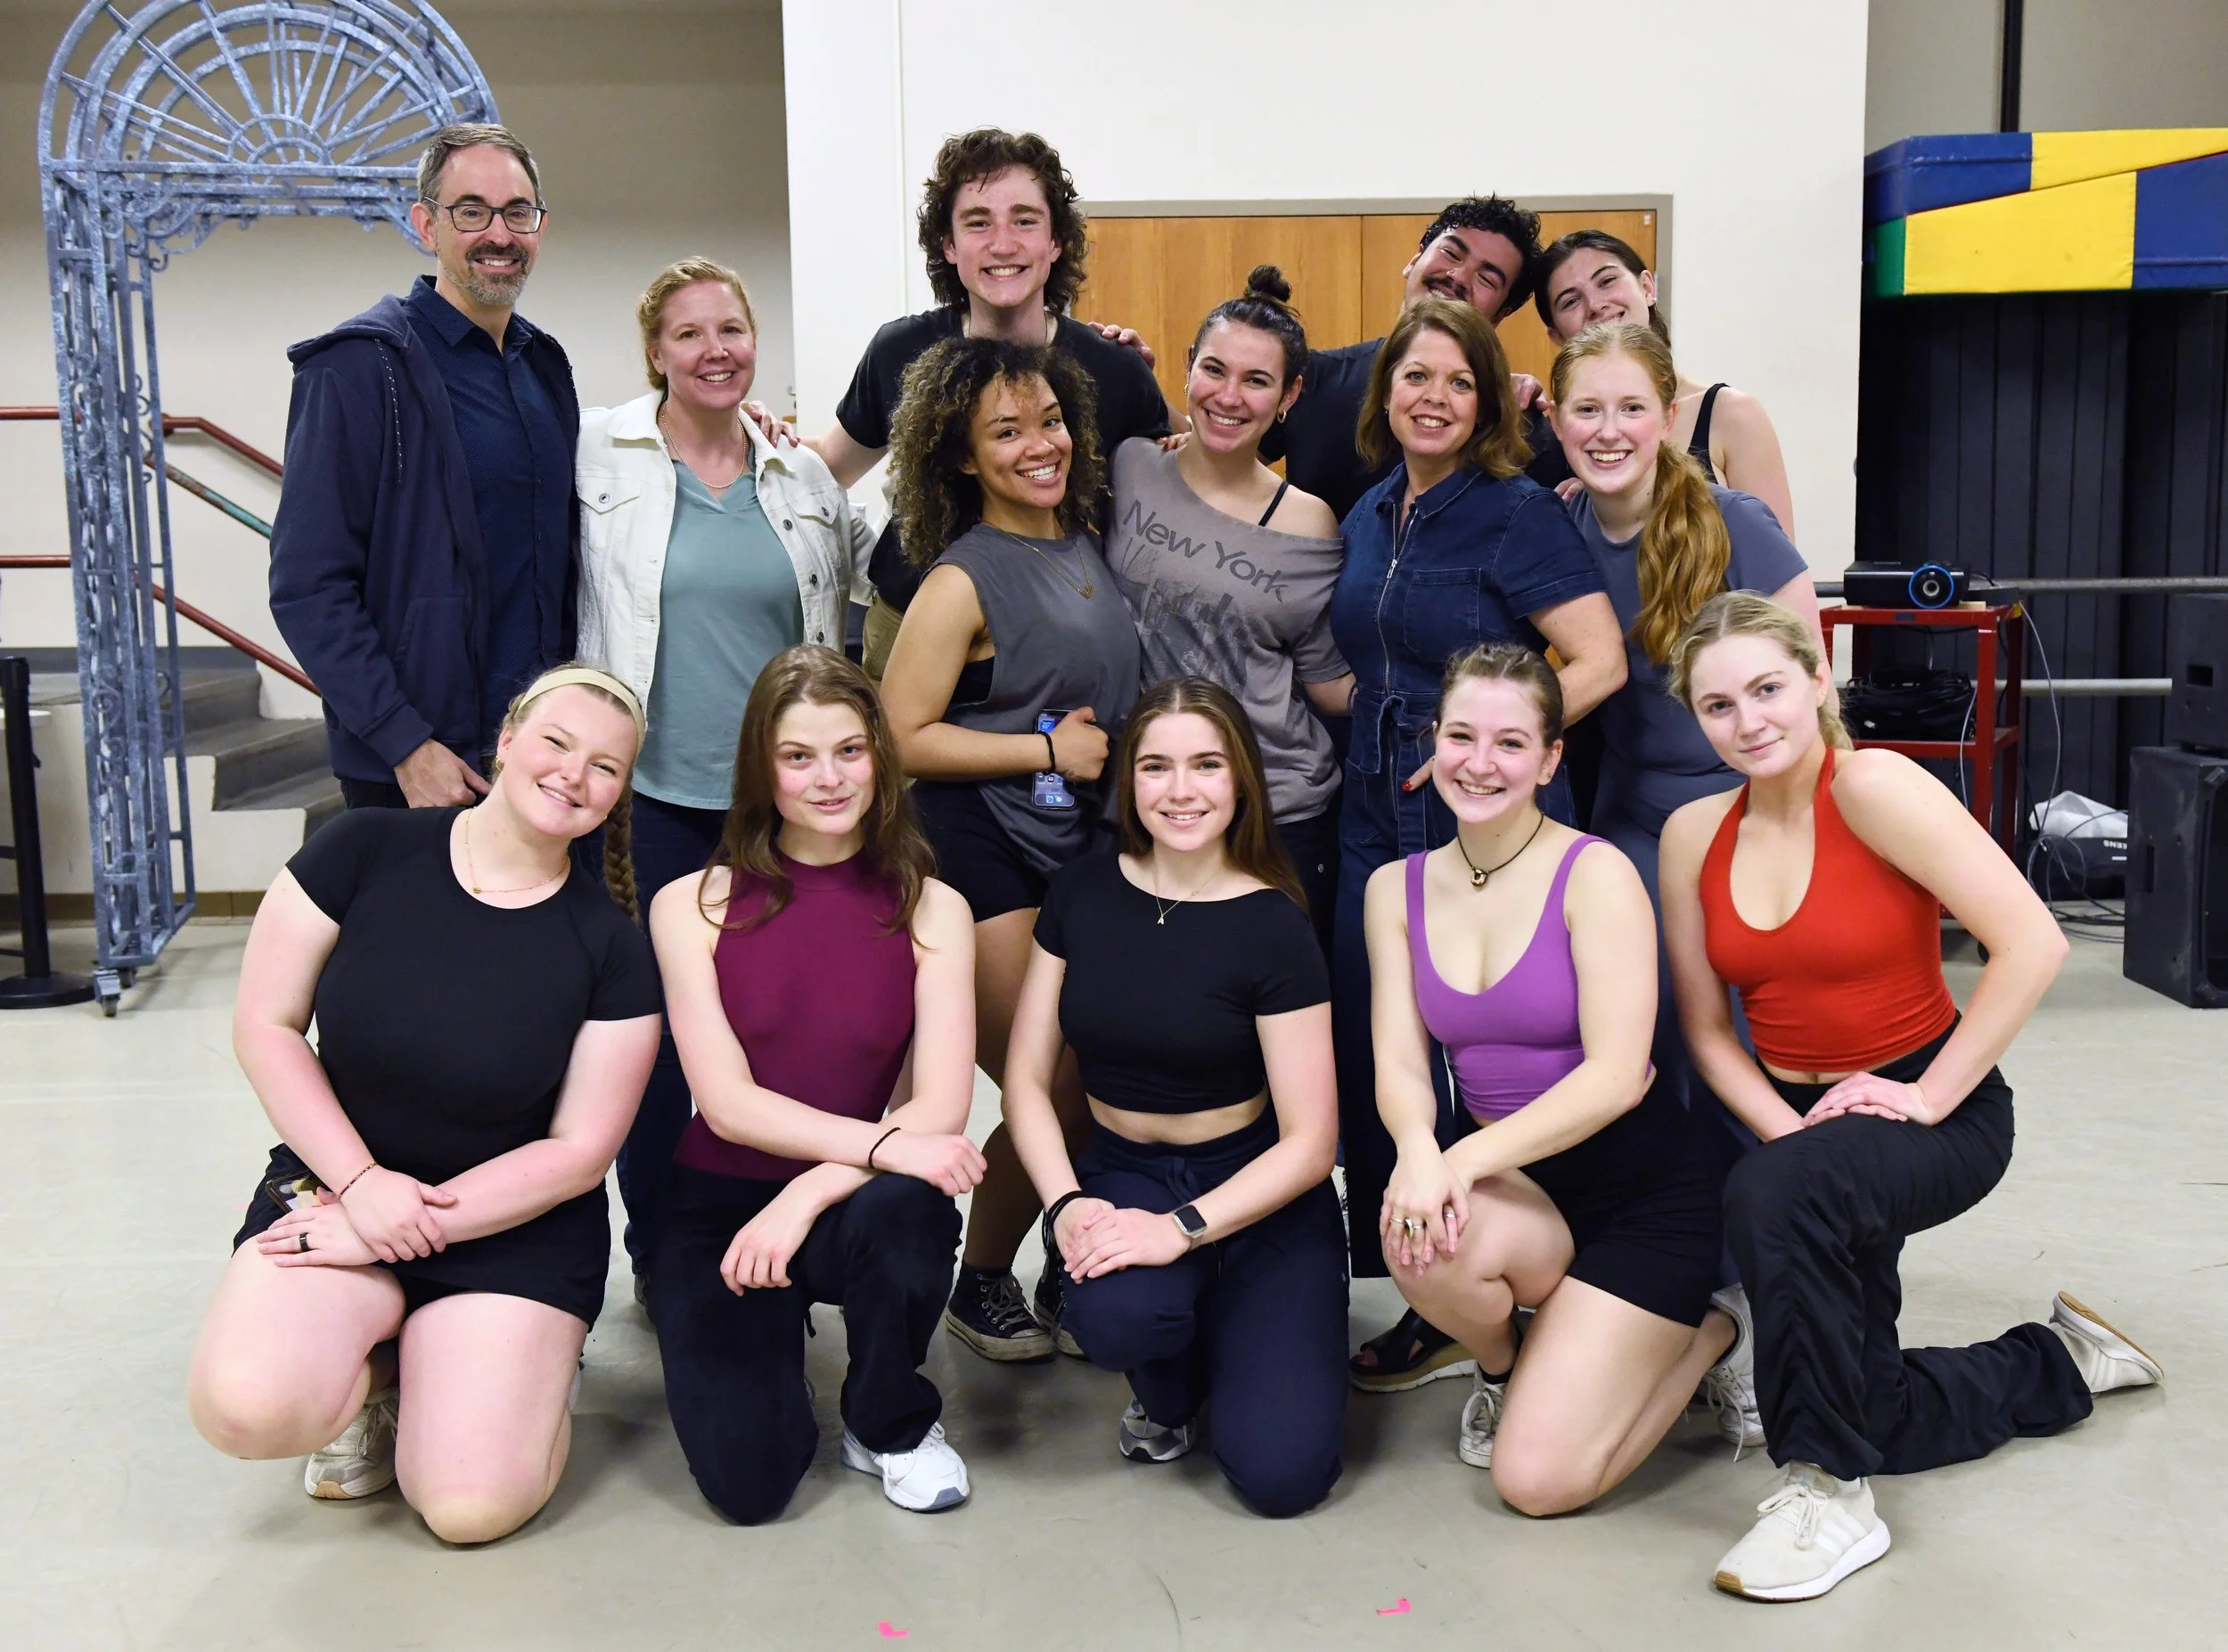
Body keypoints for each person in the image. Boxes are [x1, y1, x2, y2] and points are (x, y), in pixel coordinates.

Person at [1658, 593, 2162, 1602]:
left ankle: (1826, 1493)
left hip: (1933, 1106)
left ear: (1816, 680)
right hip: (1802, 1125)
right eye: (1718, 706)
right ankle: (2062, 1362)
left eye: (1767, 689)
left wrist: (1928, 1096)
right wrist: (1789, 1134)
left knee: (1774, 1199)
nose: (1748, 721)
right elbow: (1709, 1033)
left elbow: (2033, 943)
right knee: (1872, 1407)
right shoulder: (1690, 835)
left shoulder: (1875, 786)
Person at [187, 666, 661, 1543]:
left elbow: (579, 1152)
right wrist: (362, 1186)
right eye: (556, 743)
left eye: (605, 766)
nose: (573, 774)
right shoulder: (362, 849)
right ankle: (384, 1373)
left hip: (509, 1227)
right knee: (247, 1409)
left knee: (468, 1507)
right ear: (507, 740)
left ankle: (495, 1375)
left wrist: (394, 1227)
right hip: (338, 1187)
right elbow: (267, 1026)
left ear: (620, 793)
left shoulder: (613, 947)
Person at [1328, 298, 1626, 1393]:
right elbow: (1361, 659)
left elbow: (1597, 661)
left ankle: (1511, 1270)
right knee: (1380, 1049)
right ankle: (1422, 1280)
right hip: (1370, 813)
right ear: (1386, 391)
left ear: (1489, 401)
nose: (1434, 398)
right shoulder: (1370, 511)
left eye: (1459, 381)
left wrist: (1490, 760)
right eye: (1416, 376)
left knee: (1481, 1055)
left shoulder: (1514, 513)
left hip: (1477, 814)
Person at [1368, 643, 1741, 1509]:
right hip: (1520, 1190)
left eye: (1510, 743)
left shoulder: (1595, 873)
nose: (1480, 763)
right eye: (1461, 736)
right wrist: (1418, 1151)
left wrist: (1455, 1163)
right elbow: (1400, 1060)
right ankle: (1505, 1369)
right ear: (1433, 742)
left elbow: (1616, 1076)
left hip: (1639, 1198)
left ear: (1548, 759)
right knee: (1412, 1237)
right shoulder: (1395, 888)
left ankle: (1716, 1331)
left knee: (1537, 1483)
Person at [575, 257, 874, 1286]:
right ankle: (665, 1255)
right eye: (690, 334)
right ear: (655, 352)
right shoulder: (599, 455)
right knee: (658, 1043)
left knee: (787, 1031)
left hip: (782, 810)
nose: (715, 351)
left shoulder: (799, 477)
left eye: (732, 330)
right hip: (653, 804)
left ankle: (784, 1235)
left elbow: (875, 580)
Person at [647, 647, 982, 1520]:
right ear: (762, 769)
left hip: (853, 1198)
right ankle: (770, 1345)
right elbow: (728, 1105)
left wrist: (802, 1198)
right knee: (749, 1487)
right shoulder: (692, 904)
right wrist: (858, 1159)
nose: (829, 778)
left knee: (911, 1205)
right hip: (719, 1203)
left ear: (880, 756)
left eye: (849, 750)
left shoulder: (933, 908)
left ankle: (886, 1420)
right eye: (798, 756)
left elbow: (940, 1109)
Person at [1003, 678, 1345, 1516]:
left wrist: (1182, 1229)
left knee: (1281, 1478)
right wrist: (1066, 1206)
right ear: (1129, 780)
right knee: (1119, 1318)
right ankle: (1174, 1379)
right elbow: (1026, 1083)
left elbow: (1311, 1144)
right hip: (1124, 1172)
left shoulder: (1273, 922)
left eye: (1206, 765)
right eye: (1156, 766)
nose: (1181, 790)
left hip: (1255, 1186)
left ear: (1241, 780)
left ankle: (1242, 1311)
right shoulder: (1081, 892)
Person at [879, 337, 1142, 1362]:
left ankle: (1061, 1263)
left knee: (1097, 1078)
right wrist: (1043, 749)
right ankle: (980, 1277)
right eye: (1006, 431)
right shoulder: (960, 579)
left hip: (1072, 839)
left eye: (1050, 421)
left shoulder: (1081, 543)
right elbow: (899, 737)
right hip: (976, 841)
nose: (1040, 445)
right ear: (960, 456)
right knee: (1053, 1083)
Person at [772, 127, 1167, 677]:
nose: (1003, 244)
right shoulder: (901, 350)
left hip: (1058, 635)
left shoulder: (1113, 366)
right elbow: (829, 466)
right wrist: (746, 433)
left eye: (1025, 221)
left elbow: (1182, 480)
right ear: (949, 245)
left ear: (1056, 242)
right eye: (978, 222)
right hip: (908, 626)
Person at [1551, 320, 1816, 1125]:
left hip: (1746, 812)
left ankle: (1774, 1183)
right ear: (1556, 422)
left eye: (1631, 408)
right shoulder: (1562, 526)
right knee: (1650, 1029)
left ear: (1668, 418)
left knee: (1750, 1033)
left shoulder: (1734, 522)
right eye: (1587, 410)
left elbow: (1813, 685)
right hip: (1631, 818)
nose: (1608, 431)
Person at [272, 123, 580, 809]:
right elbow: (307, 586)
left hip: (539, 752)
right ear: (425, 225)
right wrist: (404, 744)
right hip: (423, 769)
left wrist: (742, 426)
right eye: (471, 211)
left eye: (518, 212)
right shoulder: (358, 367)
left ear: (539, 226)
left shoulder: (544, 367)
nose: (498, 234)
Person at [1104, 266, 1352, 935]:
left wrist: (1428, 709)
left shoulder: (1309, 522)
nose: (1229, 396)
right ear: (1187, 366)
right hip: (1155, 796)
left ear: (1289, 395)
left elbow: (1324, 678)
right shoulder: (1131, 466)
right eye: (1214, 370)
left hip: (1276, 804)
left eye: (1257, 380)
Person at [1261, 195, 1560, 522]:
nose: (1458, 276)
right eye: (1451, 253)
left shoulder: (1518, 422)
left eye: (1486, 279)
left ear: (1501, 314)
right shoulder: (1309, 379)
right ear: (1414, 259)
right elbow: (1228, 468)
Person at [1534, 230, 1795, 537]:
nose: (1595, 304)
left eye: (1607, 281)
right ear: (1556, 336)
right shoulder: (1560, 440)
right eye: (1571, 301)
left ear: (1647, 287)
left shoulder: (1731, 413)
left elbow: (1776, 555)